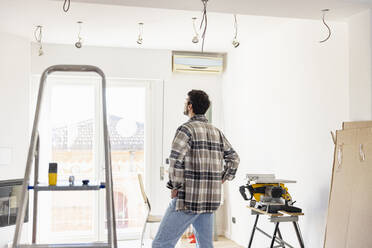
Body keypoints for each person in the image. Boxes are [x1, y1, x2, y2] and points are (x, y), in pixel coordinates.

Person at [152, 90, 240, 248]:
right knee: (205, 246)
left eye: (186, 101)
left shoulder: (185, 129)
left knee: (160, 244)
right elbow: (234, 158)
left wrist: (175, 186)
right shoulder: (217, 132)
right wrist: (222, 178)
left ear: (190, 105)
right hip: (209, 199)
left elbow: (175, 159)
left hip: (189, 198)